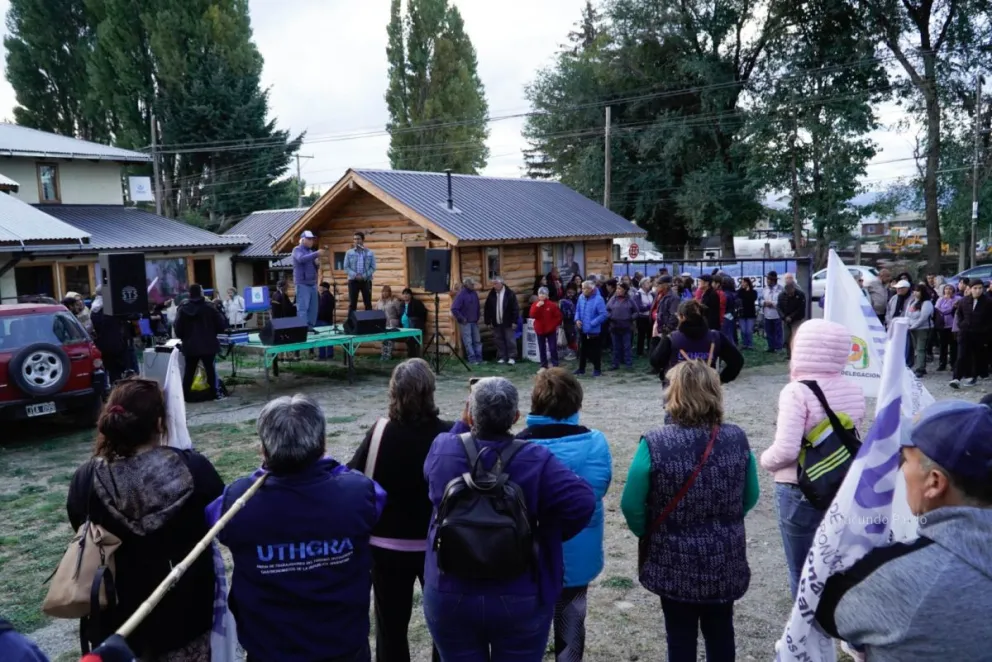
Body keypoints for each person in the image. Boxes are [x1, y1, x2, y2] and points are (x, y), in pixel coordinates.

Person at [422, 378, 596, 661]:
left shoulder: (442, 448)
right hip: (520, 589)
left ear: (470, 413)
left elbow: (430, 479)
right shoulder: (536, 458)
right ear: (516, 417)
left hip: (449, 588)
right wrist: (543, 533)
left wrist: (462, 423)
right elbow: (583, 502)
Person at [210, 394, 385, 662]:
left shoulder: (238, 500)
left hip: (272, 649)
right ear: (322, 443)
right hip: (341, 645)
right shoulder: (358, 492)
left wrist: (264, 473)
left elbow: (213, 518)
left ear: (264, 450)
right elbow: (377, 501)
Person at [815, 400, 992, 661]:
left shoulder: (906, 577)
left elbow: (823, 607)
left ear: (934, 482)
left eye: (905, 459)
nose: (899, 469)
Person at [66, 379, 224, 658]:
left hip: (119, 621)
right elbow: (221, 522)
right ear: (160, 423)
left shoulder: (86, 478)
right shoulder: (194, 468)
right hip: (187, 613)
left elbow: (79, 525)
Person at [621, 360, 758, 662]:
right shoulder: (737, 438)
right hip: (724, 556)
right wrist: (724, 521)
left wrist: (648, 530)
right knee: (721, 632)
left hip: (672, 557)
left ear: (673, 394)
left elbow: (631, 503)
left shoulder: (654, 442)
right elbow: (750, 496)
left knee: (679, 636)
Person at [347, 360, 449, 662]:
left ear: (394, 392)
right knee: (445, 628)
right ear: (431, 391)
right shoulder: (447, 436)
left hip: (387, 547)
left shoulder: (379, 433)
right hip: (438, 547)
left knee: (390, 629)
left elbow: (354, 478)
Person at [759, 319, 866, 598]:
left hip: (800, 488)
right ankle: (838, 619)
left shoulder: (796, 391)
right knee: (835, 563)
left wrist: (764, 460)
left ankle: (805, 623)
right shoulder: (854, 388)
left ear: (802, 347)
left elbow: (786, 450)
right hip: (840, 485)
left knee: (803, 569)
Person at [515, 368, 611, 661]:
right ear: (576, 401)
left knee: (526, 630)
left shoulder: (517, 448)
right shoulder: (596, 443)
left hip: (530, 555)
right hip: (579, 551)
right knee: (572, 622)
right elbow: (599, 487)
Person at [650, 299, 743, 385]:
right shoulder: (716, 337)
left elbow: (655, 362)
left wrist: (655, 340)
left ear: (682, 317)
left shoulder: (671, 338)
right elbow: (737, 361)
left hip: (678, 391)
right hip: (706, 389)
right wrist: (721, 380)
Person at [174, 283, 228, 402]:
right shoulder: (210, 307)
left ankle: (185, 395)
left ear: (190, 294)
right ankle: (215, 394)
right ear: (201, 293)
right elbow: (221, 325)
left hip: (190, 346)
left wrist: (185, 338)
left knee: (189, 371)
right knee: (210, 371)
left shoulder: (183, 309)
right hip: (208, 344)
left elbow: (178, 329)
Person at [951, 280, 991, 389]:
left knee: (976, 356)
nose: (978, 290)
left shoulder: (988, 302)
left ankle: (973, 376)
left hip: (980, 334)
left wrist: (985, 330)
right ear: (970, 289)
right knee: (961, 355)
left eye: (980, 288)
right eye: (975, 288)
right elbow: (959, 314)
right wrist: (961, 324)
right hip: (964, 332)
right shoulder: (964, 301)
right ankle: (956, 378)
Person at [292, 230, 325, 329]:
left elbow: (312, 265)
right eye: (309, 239)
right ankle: (303, 328)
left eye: (312, 239)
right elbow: (301, 259)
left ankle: (310, 327)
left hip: (312, 283)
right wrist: (316, 254)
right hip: (302, 283)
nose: (311, 241)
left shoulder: (310, 252)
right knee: (303, 307)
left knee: (313, 308)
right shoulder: (297, 250)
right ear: (302, 240)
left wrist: (317, 264)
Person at [484, 276, 519, 365]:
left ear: (501, 283)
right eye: (493, 284)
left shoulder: (509, 294)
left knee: (510, 340)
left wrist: (514, 321)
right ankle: (502, 356)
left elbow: (515, 308)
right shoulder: (491, 294)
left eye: (496, 283)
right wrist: (488, 321)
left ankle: (512, 357)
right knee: (498, 340)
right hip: (496, 321)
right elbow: (487, 309)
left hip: (508, 321)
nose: (494, 285)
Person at [575, 280, 608, 377]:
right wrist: (577, 320)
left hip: (594, 330)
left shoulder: (599, 299)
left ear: (591, 289)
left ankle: (597, 370)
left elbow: (604, 315)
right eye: (582, 288)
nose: (582, 290)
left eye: (584, 288)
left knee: (595, 350)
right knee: (583, 349)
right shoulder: (581, 297)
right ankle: (581, 369)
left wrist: (592, 323)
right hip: (582, 329)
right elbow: (577, 310)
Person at [451, 277, 483, 365]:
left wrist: (477, 317)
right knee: (468, 342)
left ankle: (479, 359)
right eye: (471, 284)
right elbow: (454, 309)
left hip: (474, 321)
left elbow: (477, 306)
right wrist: (462, 319)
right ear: (466, 285)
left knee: (477, 341)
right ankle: (472, 360)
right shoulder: (461, 295)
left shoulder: (474, 293)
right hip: (465, 323)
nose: (473, 286)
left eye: (473, 284)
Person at [530, 286, 563, 370]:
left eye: (543, 294)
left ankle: (555, 364)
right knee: (542, 348)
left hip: (550, 330)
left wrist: (553, 325)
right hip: (540, 330)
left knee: (553, 348)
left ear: (547, 295)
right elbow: (532, 315)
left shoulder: (552, 305)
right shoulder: (535, 304)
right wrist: (537, 306)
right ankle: (543, 365)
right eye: (540, 294)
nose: (541, 295)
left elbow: (558, 317)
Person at [607, 282, 638, 370]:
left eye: (619, 289)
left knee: (627, 346)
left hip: (626, 327)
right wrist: (610, 316)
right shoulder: (613, 299)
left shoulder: (630, 300)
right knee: (615, 347)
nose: (617, 290)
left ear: (625, 290)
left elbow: (636, 312)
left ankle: (628, 364)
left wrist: (630, 318)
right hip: (614, 326)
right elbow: (607, 309)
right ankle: (615, 364)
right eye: (617, 288)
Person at [344, 231, 376, 313]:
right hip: (353, 280)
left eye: (358, 239)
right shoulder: (349, 252)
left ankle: (369, 321)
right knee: (352, 304)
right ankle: (351, 321)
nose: (356, 241)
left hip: (366, 280)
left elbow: (373, 267)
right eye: (355, 239)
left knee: (368, 303)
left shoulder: (369, 253)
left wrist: (363, 276)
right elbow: (346, 267)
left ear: (363, 240)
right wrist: (355, 275)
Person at [907, 283, 934, 377]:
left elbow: (923, 318)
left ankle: (920, 368)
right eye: (914, 290)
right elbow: (907, 314)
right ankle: (920, 365)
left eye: (918, 291)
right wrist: (908, 324)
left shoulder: (927, 303)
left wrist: (913, 326)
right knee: (916, 348)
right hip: (912, 328)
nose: (915, 293)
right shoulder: (912, 301)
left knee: (921, 349)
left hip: (923, 328)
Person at [777, 274, 807, 360]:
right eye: (789, 294)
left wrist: (791, 316)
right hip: (786, 320)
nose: (790, 295)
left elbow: (801, 308)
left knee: (796, 337)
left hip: (796, 319)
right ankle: (789, 354)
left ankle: (796, 354)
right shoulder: (781, 296)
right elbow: (778, 308)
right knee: (786, 338)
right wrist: (784, 317)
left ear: (794, 289)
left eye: (792, 293)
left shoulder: (800, 295)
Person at [935, 284, 960, 372]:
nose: (948, 291)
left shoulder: (957, 299)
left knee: (953, 345)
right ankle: (942, 363)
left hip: (953, 326)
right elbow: (938, 308)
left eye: (950, 289)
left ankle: (953, 363)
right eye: (946, 289)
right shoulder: (940, 299)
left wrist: (951, 304)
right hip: (942, 325)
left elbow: (951, 310)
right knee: (943, 345)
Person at [377, 285, 403, 360]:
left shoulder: (394, 301)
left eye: (386, 291)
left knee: (390, 339)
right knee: (384, 339)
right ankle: (383, 354)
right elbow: (377, 311)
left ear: (389, 292)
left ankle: (388, 355)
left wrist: (396, 319)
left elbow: (399, 311)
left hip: (392, 322)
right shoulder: (379, 301)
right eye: (383, 291)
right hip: (383, 323)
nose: (385, 293)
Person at [400, 288, 427, 359]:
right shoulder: (402, 304)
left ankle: (416, 356)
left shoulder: (416, 303)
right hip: (404, 326)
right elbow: (400, 314)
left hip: (415, 326)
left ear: (411, 295)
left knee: (414, 341)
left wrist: (418, 322)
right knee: (408, 341)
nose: (405, 295)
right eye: (404, 294)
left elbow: (423, 313)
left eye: (407, 294)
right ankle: (411, 355)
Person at [763, 271, 784, 353]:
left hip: (777, 314)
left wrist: (772, 304)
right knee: (769, 331)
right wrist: (764, 303)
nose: (767, 281)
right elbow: (761, 299)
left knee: (778, 332)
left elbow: (782, 301)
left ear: (773, 280)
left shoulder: (780, 289)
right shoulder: (765, 289)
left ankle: (778, 347)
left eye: (768, 279)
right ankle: (771, 346)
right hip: (767, 314)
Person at [633, 277, 655, 357]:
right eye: (647, 283)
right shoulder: (638, 294)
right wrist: (650, 306)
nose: (650, 284)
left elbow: (655, 304)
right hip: (641, 318)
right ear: (642, 284)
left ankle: (650, 350)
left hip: (650, 317)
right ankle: (640, 352)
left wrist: (649, 306)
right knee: (641, 335)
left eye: (650, 282)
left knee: (650, 335)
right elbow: (639, 307)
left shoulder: (652, 294)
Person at [737, 277, 758, 350]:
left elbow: (752, 299)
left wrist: (748, 291)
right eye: (742, 282)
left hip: (750, 314)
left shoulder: (753, 292)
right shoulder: (739, 292)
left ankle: (750, 344)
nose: (742, 284)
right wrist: (744, 291)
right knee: (743, 330)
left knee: (749, 330)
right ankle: (744, 344)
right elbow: (740, 299)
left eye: (744, 282)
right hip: (742, 314)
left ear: (747, 283)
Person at [317, 282, 336, 359]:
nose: (319, 288)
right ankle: (330, 354)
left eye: (320, 287)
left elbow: (321, 309)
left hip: (322, 320)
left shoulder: (323, 296)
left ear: (324, 287)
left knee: (321, 337)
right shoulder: (331, 296)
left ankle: (322, 355)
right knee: (329, 337)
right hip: (329, 319)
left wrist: (317, 317)